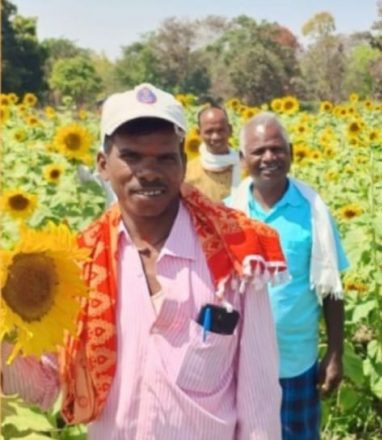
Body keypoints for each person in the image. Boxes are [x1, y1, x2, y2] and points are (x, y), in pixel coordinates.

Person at [2, 83, 286, 439]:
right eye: (132, 156)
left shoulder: (236, 255)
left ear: (183, 164)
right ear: (104, 166)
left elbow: (259, 401)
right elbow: (46, 388)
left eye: (164, 157)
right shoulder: (76, 266)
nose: (148, 171)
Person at [227, 113, 348, 440]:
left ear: (291, 152)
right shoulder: (227, 215)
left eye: (277, 149)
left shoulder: (314, 211)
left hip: (295, 362)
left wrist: (335, 353)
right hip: (240, 365)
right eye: (259, 151)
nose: (269, 158)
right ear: (242, 159)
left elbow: (332, 290)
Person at [185, 105, 241, 202]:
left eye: (221, 130)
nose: (216, 137)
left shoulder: (246, 168)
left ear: (230, 130)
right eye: (209, 132)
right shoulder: (187, 174)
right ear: (199, 133)